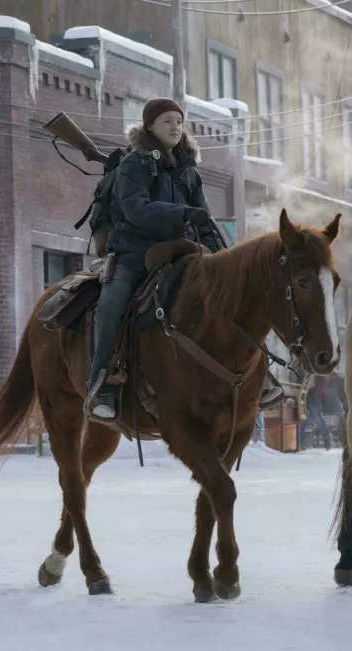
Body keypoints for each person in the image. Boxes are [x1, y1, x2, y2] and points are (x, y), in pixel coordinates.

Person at [85, 97, 281, 419]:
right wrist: (183, 213)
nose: (175, 127)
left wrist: (222, 261)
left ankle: (261, 374)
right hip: (135, 252)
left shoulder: (189, 169)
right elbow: (136, 210)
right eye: (167, 121)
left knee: (232, 298)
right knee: (111, 303)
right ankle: (103, 384)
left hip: (182, 253)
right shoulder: (133, 164)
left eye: (179, 121)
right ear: (149, 126)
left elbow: (203, 219)